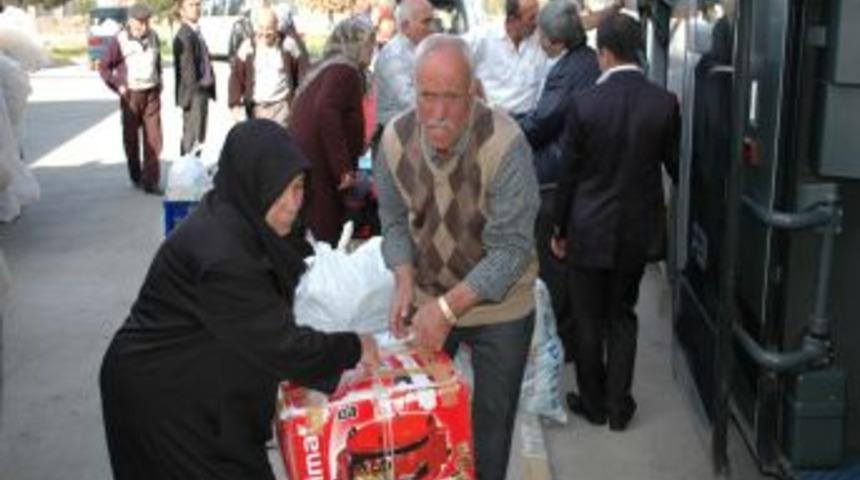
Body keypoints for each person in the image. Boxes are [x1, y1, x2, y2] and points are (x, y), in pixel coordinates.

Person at [99, 119, 380, 480]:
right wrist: (354, 346)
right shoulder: (224, 257)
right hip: (162, 398)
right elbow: (281, 346)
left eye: (299, 187)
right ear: (254, 184)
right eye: (282, 190)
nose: (294, 203)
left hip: (199, 383)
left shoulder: (239, 216)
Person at [375, 34, 540, 480]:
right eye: (427, 96)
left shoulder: (506, 145)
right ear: (414, 91)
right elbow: (392, 219)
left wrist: (447, 309)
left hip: (501, 309)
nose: (438, 112)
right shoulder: (392, 141)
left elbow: (511, 252)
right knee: (420, 426)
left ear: (473, 92)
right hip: (428, 297)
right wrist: (403, 277)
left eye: (451, 97)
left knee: (490, 434)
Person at [551, 13, 680, 432]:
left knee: (587, 318)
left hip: (587, 230)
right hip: (635, 232)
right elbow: (676, 168)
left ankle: (593, 403)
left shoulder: (585, 104)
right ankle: (619, 407)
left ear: (603, 53)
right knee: (622, 315)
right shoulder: (664, 103)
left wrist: (559, 230)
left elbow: (568, 177)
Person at [516, 0, 599, 358]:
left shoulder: (568, 71)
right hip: (578, 175)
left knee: (554, 265)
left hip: (554, 179)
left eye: (542, 35)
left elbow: (543, 122)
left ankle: (561, 339)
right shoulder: (589, 60)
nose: (539, 40)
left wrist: (507, 127)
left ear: (557, 41)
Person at [288, 18, 375, 245]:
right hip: (321, 162)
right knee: (325, 229)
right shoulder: (345, 71)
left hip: (309, 156)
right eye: (368, 43)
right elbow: (326, 110)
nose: (372, 49)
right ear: (354, 44)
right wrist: (343, 169)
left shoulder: (330, 66)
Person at [99, 3, 163, 194]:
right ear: (131, 21)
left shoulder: (154, 36)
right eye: (140, 22)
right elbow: (104, 67)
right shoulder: (120, 40)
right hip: (131, 95)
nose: (144, 26)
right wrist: (118, 85)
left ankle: (151, 181)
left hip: (151, 93)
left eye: (147, 22)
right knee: (131, 140)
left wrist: (159, 81)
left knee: (154, 139)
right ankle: (136, 176)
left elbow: (157, 62)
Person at [463, 0, 547, 116]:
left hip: (530, 118)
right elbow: (452, 54)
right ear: (512, 20)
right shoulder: (483, 37)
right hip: (494, 118)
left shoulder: (541, 39)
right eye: (531, 18)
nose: (537, 22)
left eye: (538, 15)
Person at [228, 7, 306, 127]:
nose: (264, 33)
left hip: (282, 108)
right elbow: (236, 77)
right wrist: (235, 104)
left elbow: (303, 71)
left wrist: (300, 98)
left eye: (269, 29)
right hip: (256, 109)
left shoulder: (288, 44)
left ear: (276, 26)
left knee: (279, 138)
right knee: (258, 138)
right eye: (261, 28)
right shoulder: (247, 47)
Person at [373, 0, 434, 131]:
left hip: (412, 127)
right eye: (426, 22)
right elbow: (410, 101)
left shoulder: (421, 48)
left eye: (433, 21)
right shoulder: (394, 56)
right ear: (405, 26)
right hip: (395, 132)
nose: (432, 28)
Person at [173, 0, 216, 155]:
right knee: (193, 139)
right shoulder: (185, 35)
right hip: (194, 94)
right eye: (191, 5)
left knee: (198, 137)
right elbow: (187, 72)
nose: (196, 8)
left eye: (198, 4)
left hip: (201, 92)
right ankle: (187, 168)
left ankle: (192, 166)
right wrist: (195, 96)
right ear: (182, 10)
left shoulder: (195, 31)